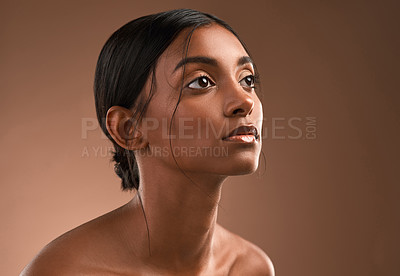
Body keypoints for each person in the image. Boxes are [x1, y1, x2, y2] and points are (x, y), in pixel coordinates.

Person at [21, 9, 274, 275]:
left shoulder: (251, 268)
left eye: (247, 80)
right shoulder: (63, 271)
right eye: (201, 82)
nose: (245, 102)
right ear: (128, 129)